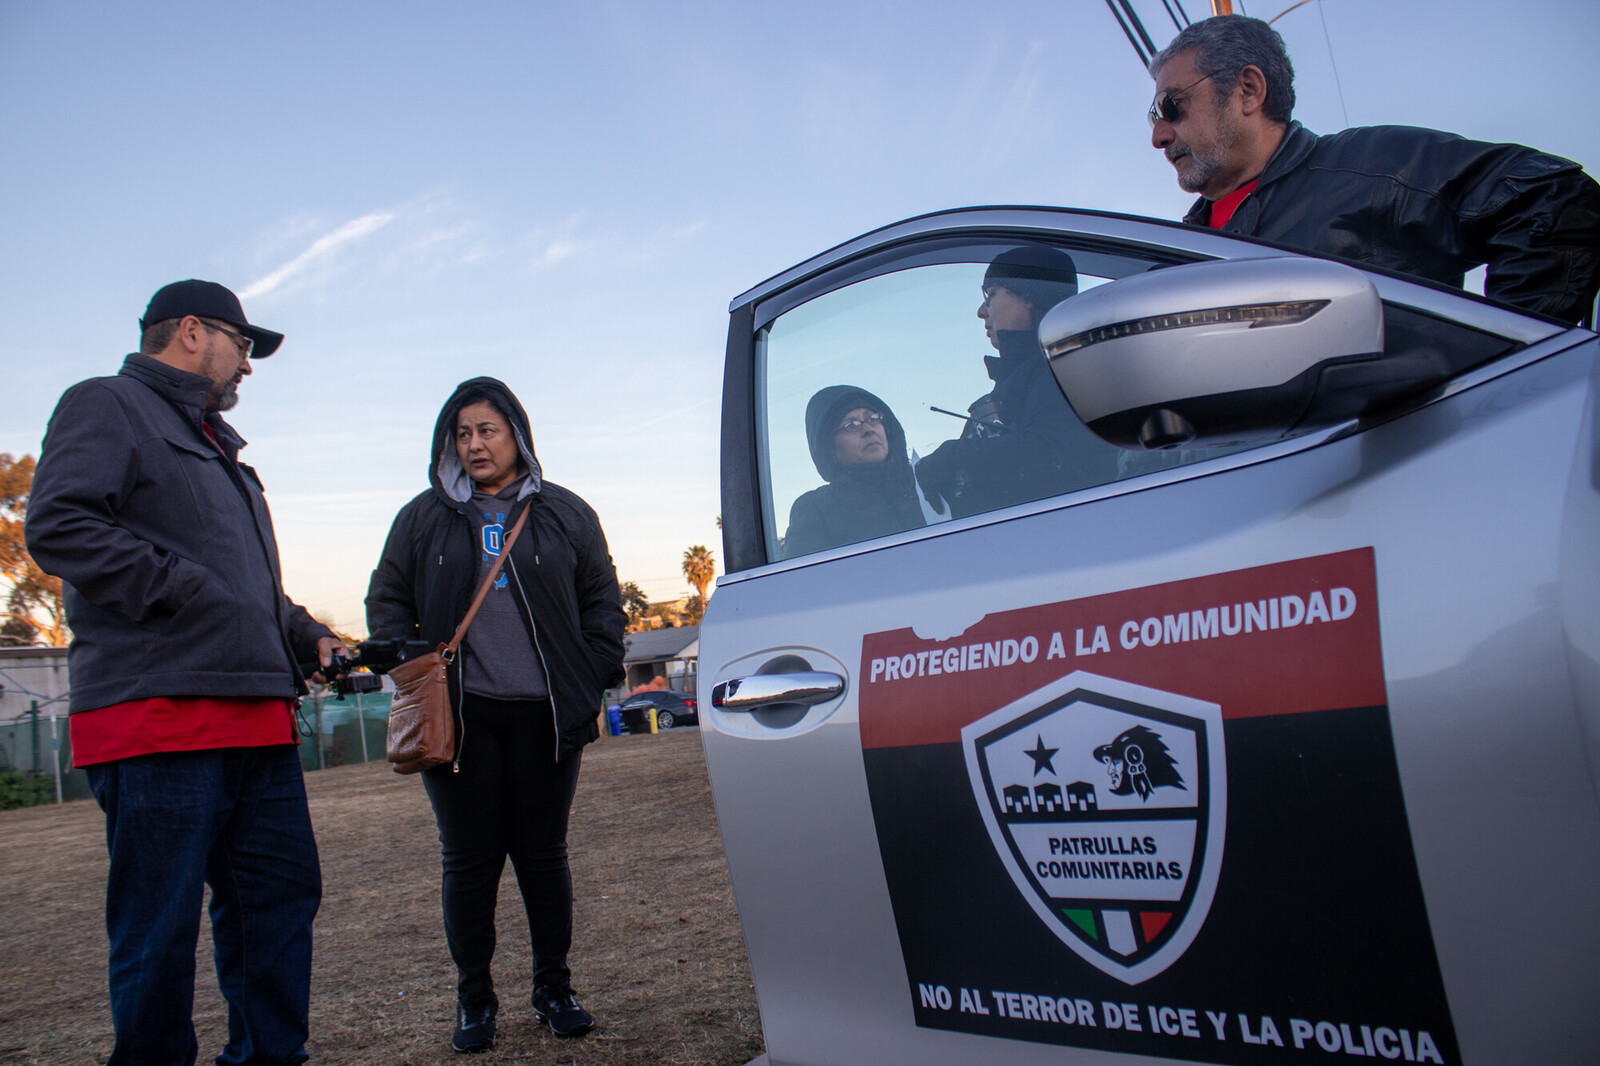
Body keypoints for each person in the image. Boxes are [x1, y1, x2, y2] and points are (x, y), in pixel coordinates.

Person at [24, 280, 342, 1066]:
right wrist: (181, 587)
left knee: (277, 907)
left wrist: (309, 636)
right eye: (243, 345)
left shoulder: (221, 453)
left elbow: (252, 589)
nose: (248, 367)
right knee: (158, 928)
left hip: (257, 724)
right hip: (157, 722)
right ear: (193, 333)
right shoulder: (106, 405)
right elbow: (59, 523)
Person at [365, 377, 626, 1052]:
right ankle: (474, 1000)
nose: (475, 444)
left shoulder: (566, 513)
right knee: (470, 860)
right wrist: (413, 662)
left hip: (545, 716)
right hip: (460, 718)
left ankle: (554, 989)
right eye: (463, 432)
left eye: (488, 430)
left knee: (543, 856)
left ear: (517, 435)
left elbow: (602, 600)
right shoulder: (424, 518)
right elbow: (386, 598)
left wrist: (592, 671)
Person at [1148, 14, 1600, 326]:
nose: (1159, 136)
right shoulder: (1177, 259)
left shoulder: (1370, 168)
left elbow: (1550, 196)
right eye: (1154, 117)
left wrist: (1497, 374)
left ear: (1247, 90)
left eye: (1172, 106)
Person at [914, 246, 1123, 518]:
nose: (981, 311)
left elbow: (1049, 455)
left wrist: (948, 459)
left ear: (1029, 295)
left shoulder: (1064, 368)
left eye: (991, 296)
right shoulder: (1025, 373)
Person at [783, 385, 928, 557]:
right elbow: (803, 580)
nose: (868, 429)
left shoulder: (926, 480)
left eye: (873, 418)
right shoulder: (815, 510)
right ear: (830, 451)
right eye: (851, 425)